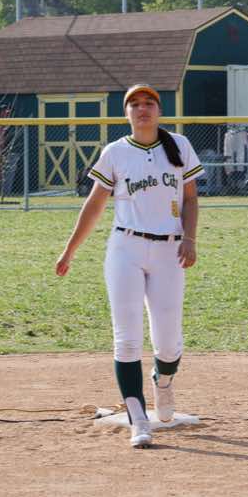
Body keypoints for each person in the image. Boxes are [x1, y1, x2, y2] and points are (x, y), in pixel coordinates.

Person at [55, 84, 204, 449]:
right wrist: (70, 250)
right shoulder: (116, 152)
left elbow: (190, 199)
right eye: (134, 104)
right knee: (127, 338)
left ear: (159, 110)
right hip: (126, 248)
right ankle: (139, 419)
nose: (142, 109)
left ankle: (163, 381)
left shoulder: (180, 145)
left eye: (149, 102)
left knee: (168, 342)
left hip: (169, 250)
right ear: (126, 113)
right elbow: (94, 205)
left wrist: (190, 238)